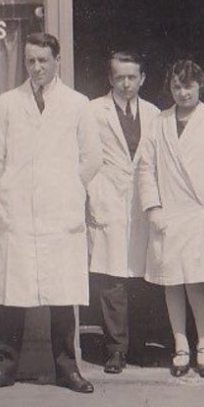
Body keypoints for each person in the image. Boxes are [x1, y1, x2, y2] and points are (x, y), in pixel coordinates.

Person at [0, 32, 103, 394]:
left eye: (43, 60)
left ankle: (67, 369)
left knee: (62, 296)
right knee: (13, 296)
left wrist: (64, 187)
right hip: (19, 212)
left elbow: (92, 158)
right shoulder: (8, 103)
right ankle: (5, 368)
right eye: (31, 61)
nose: (37, 68)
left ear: (56, 61)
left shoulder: (77, 104)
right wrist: (18, 186)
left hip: (60, 212)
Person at [137, 59, 204, 377]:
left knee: (195, 282)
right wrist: (153, 207)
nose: (182, 92)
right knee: (170, 282)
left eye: (188, 85)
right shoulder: (159, 122)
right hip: (168, 213)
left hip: (198, 213)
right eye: (176, 86)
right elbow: (145, 168)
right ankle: (180, 345)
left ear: (201, 85)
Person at [87, 51, 160, 374]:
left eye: (132, 77)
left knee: (143, 277)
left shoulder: (155, 113)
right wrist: (93, 195)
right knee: (113, 278)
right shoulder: (93, 111)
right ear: (110, 79)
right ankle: (115, 349)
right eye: (120, 77)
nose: (126, 83)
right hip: (109, 198)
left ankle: (140, 346)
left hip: (141, 202)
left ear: (142, 79)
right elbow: (85, 157)